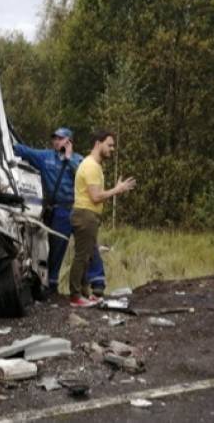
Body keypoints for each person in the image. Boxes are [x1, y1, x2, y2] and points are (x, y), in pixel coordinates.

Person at [13, 128, 108, 295]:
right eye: (55, 139)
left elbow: (82, 175)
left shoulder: (79, 160)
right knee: (56, 247)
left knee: (88, 246)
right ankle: (52, 283)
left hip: (78, 208)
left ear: (69, 141)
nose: (56, 141)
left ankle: (97, 282)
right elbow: (24, 151)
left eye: (60, 139)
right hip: (59, 210)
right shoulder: (45, 157)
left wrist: (69, 158)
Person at [68, 130, 135, 308]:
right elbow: (95, 197)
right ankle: (75, 296)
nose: (112, 149)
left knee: (87, 256)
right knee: (82, 257)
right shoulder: (91, 166)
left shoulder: (94, 165)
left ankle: (84, 294)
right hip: (85, 214)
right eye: (110, 145)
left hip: (87, 215)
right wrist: (117, 189)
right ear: (98, 143)